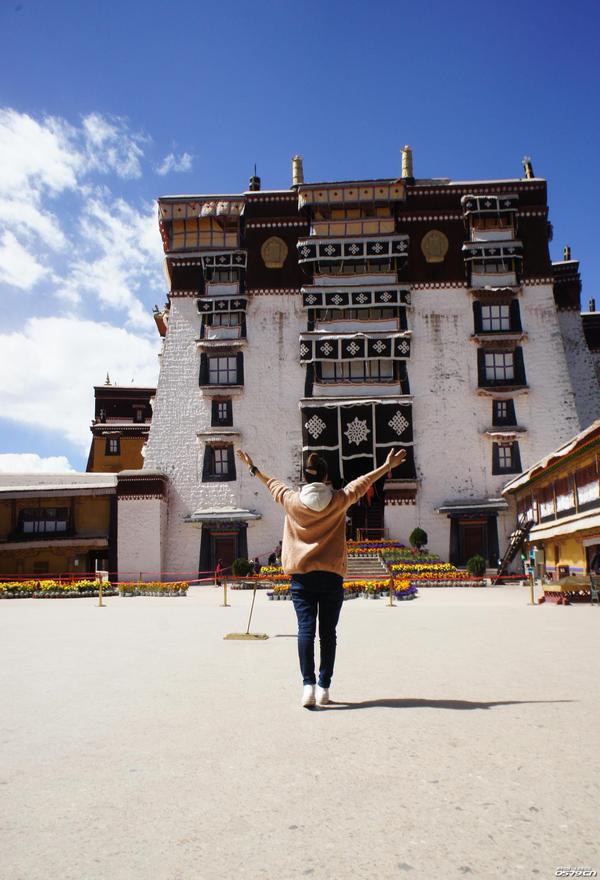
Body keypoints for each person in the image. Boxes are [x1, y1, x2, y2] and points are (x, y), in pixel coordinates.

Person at [236, 446, 407, 708]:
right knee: (328, 634)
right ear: (326, 477)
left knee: (305, 630)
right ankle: (324, 687)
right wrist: (387, 467)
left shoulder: (291, 501)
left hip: (302, 578)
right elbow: (363, 483)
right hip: (330, 577)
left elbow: (272, 484)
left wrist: (253, 467)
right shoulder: (339, 499)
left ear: (304, 476)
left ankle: (308, 686)